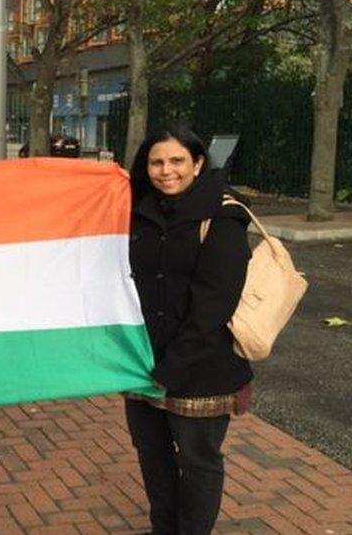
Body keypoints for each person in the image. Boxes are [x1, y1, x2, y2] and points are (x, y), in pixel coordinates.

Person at [125, 125, 253, 535]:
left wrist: (172, 369)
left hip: (202, 365)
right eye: (157, 162)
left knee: (198, 460)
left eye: (177, 160)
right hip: (142, 359)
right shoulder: (136, 210)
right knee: (152, 453)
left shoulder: (224, 215)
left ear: (198, 164)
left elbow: (214, 304)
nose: (166, 171)